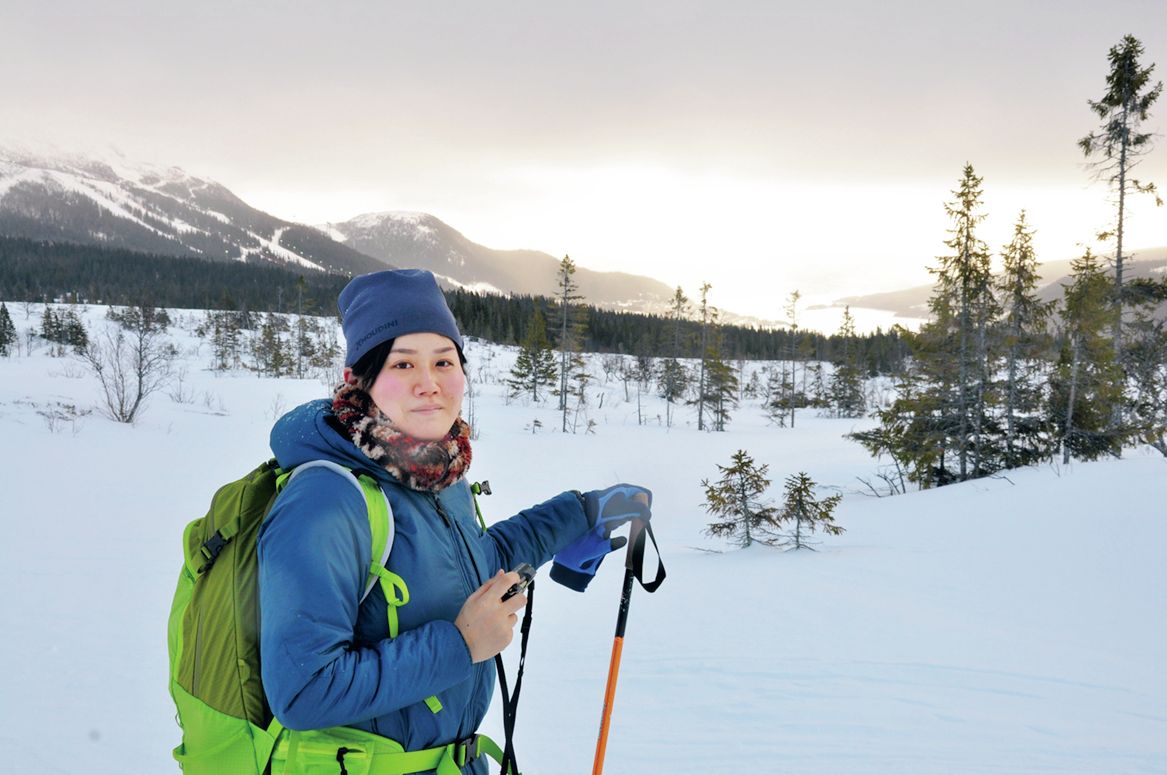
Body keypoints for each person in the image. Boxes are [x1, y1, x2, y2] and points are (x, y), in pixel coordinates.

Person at [257, 268, 651, 774]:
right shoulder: (327, 499)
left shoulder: (436, 471)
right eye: (403, 363)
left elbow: (475, 562)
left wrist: (583, 511)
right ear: (365, 378)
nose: (429, 384)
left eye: (444, 361)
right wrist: (460, 644)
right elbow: (305, 690)